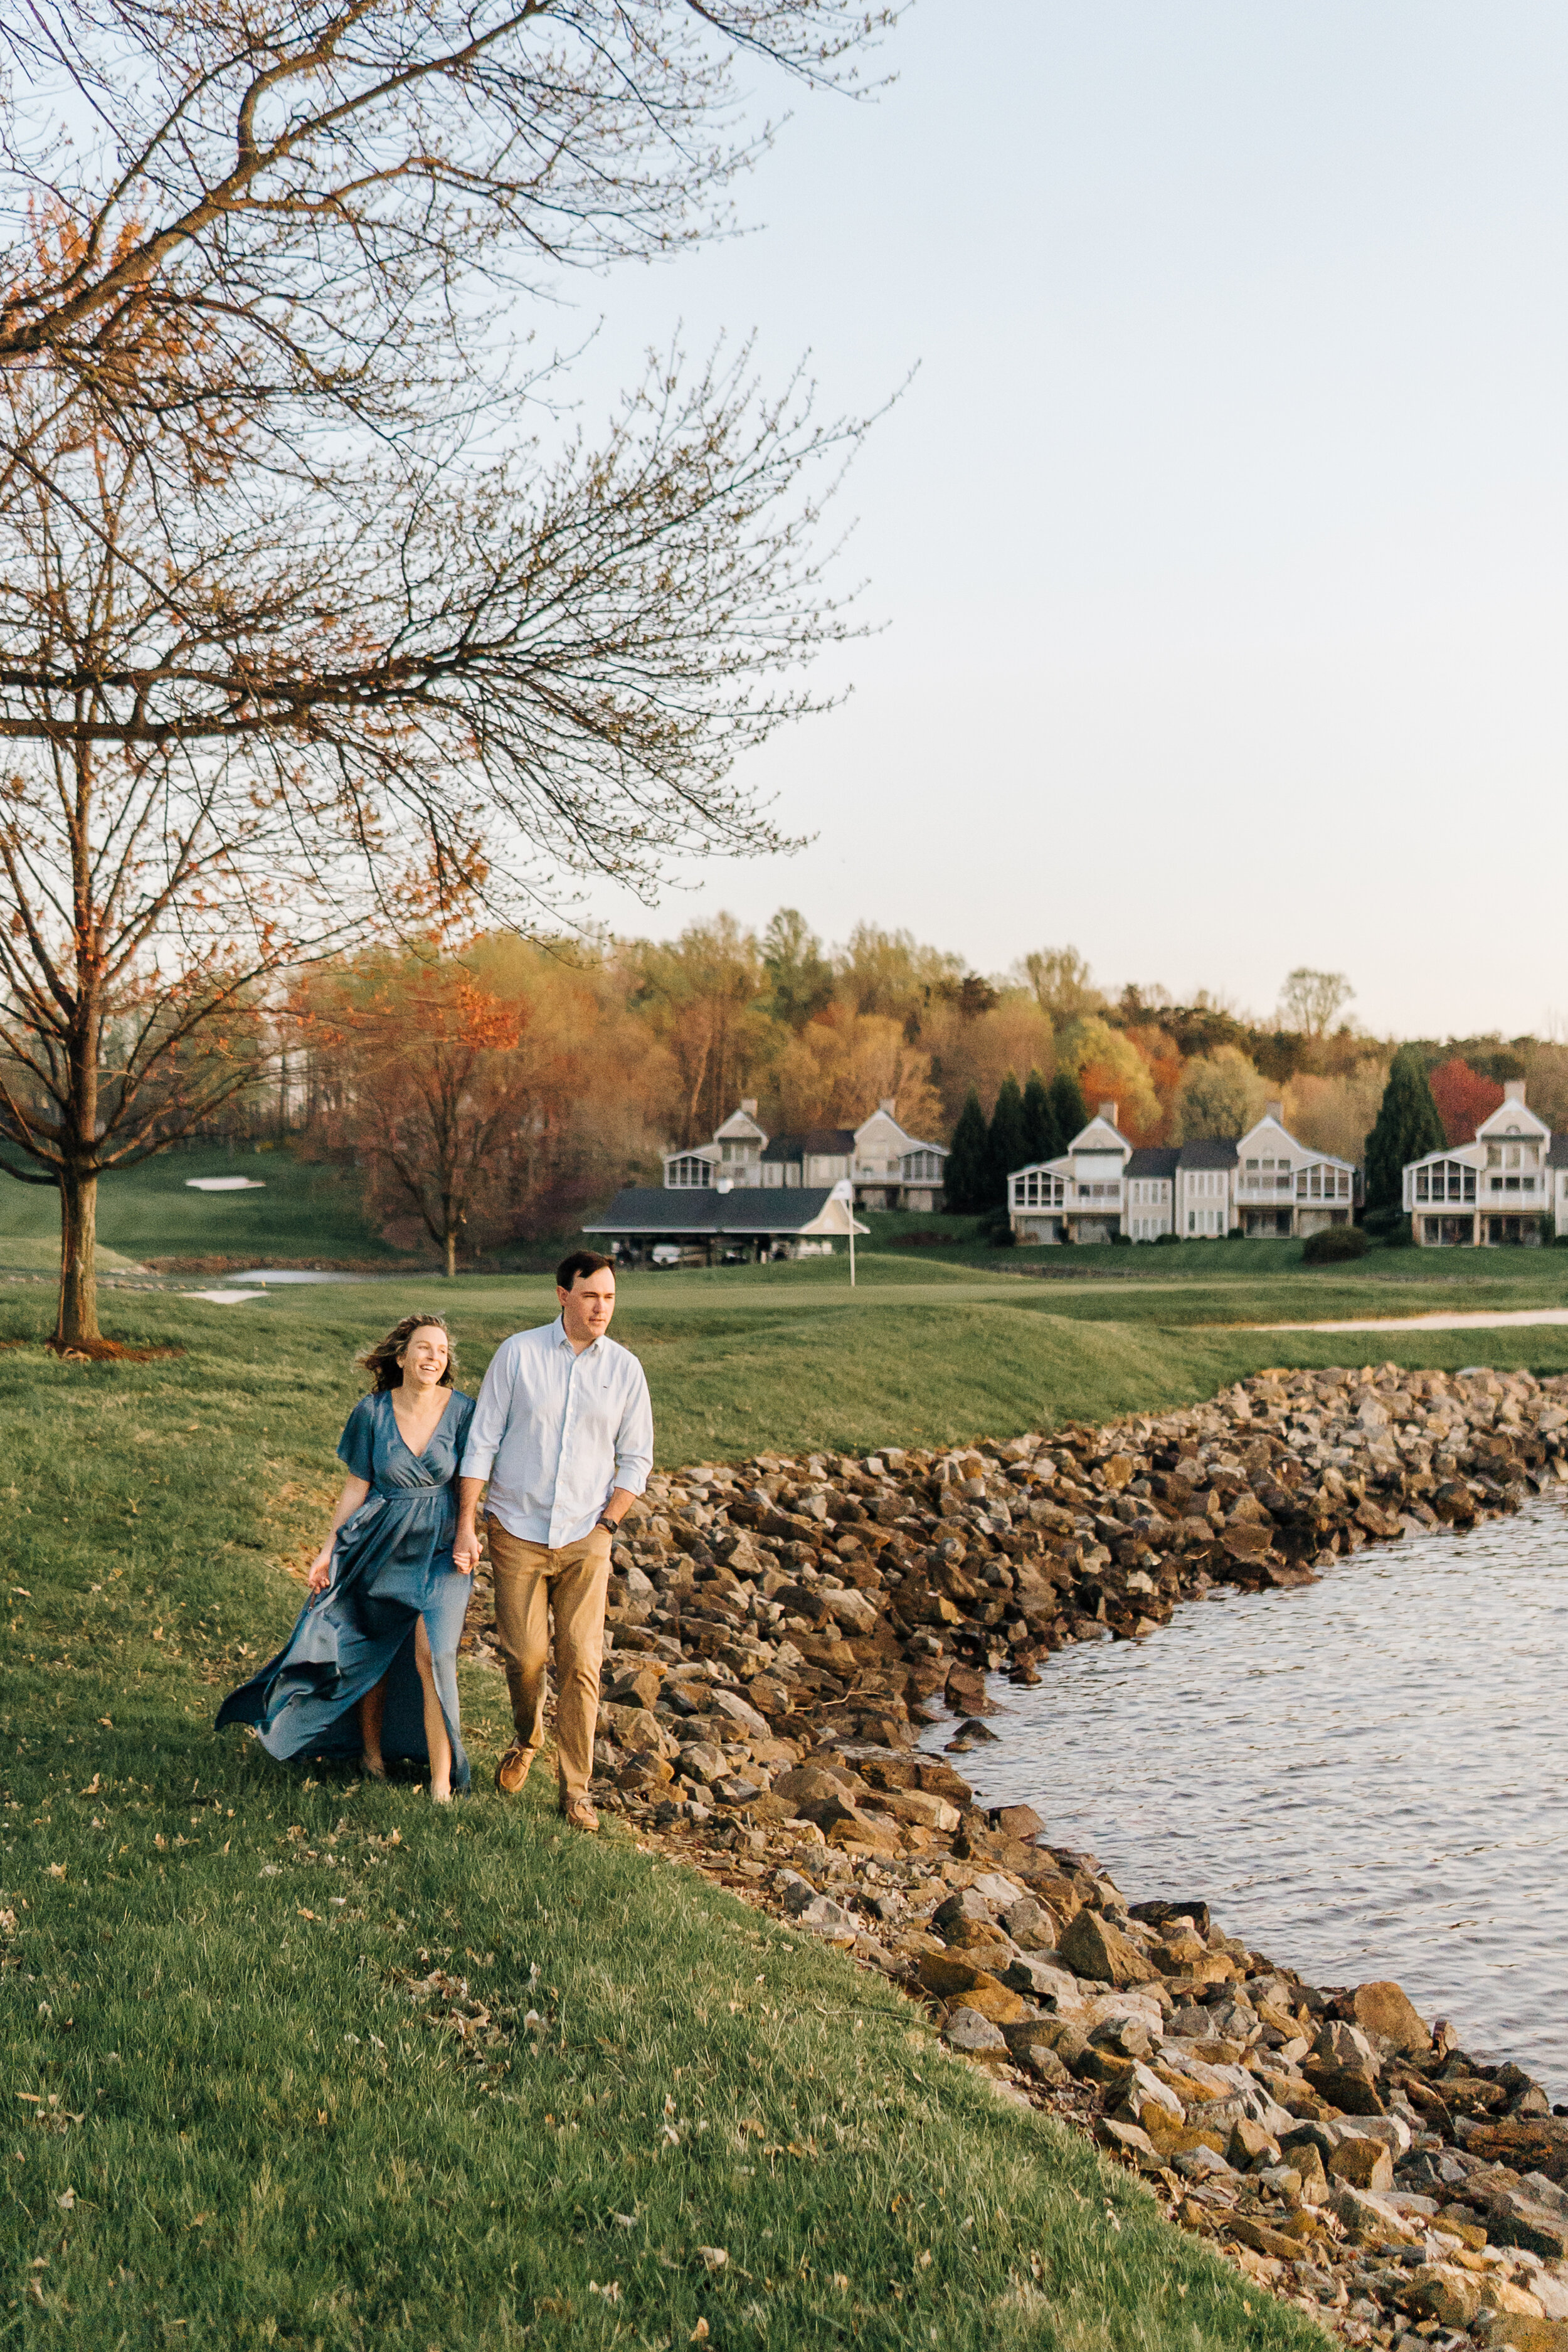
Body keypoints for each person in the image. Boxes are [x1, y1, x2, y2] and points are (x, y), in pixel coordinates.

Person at [217, 1315, 479, 1799]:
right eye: (423, 1348)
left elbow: (471, 1480)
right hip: (379, 1544)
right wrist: (327, 1550)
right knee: (370, 1649)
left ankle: (443, 1780)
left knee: (436, 1654)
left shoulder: (464, 1411)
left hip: (441, 1549)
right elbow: (356, 1486)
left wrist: (467, 1532)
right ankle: (372, 1754)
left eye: (441, 1351)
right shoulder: (372, 1412)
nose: (433, 1358)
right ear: (401, 1356)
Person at [457, 1250, 653, 1830]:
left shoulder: (625, 1370)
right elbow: (482, 1441)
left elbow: (636, 1460)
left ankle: (576, 1791)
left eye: (610, 1298)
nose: (602, 1309)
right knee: (525, 1658)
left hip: (586, 1537)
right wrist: (469, 1521)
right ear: (563, 1295)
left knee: (582, 1663)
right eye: (591, 1296)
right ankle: (527, 1737)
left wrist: (608, 1525)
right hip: (515, 1529)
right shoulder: (518, 1354)